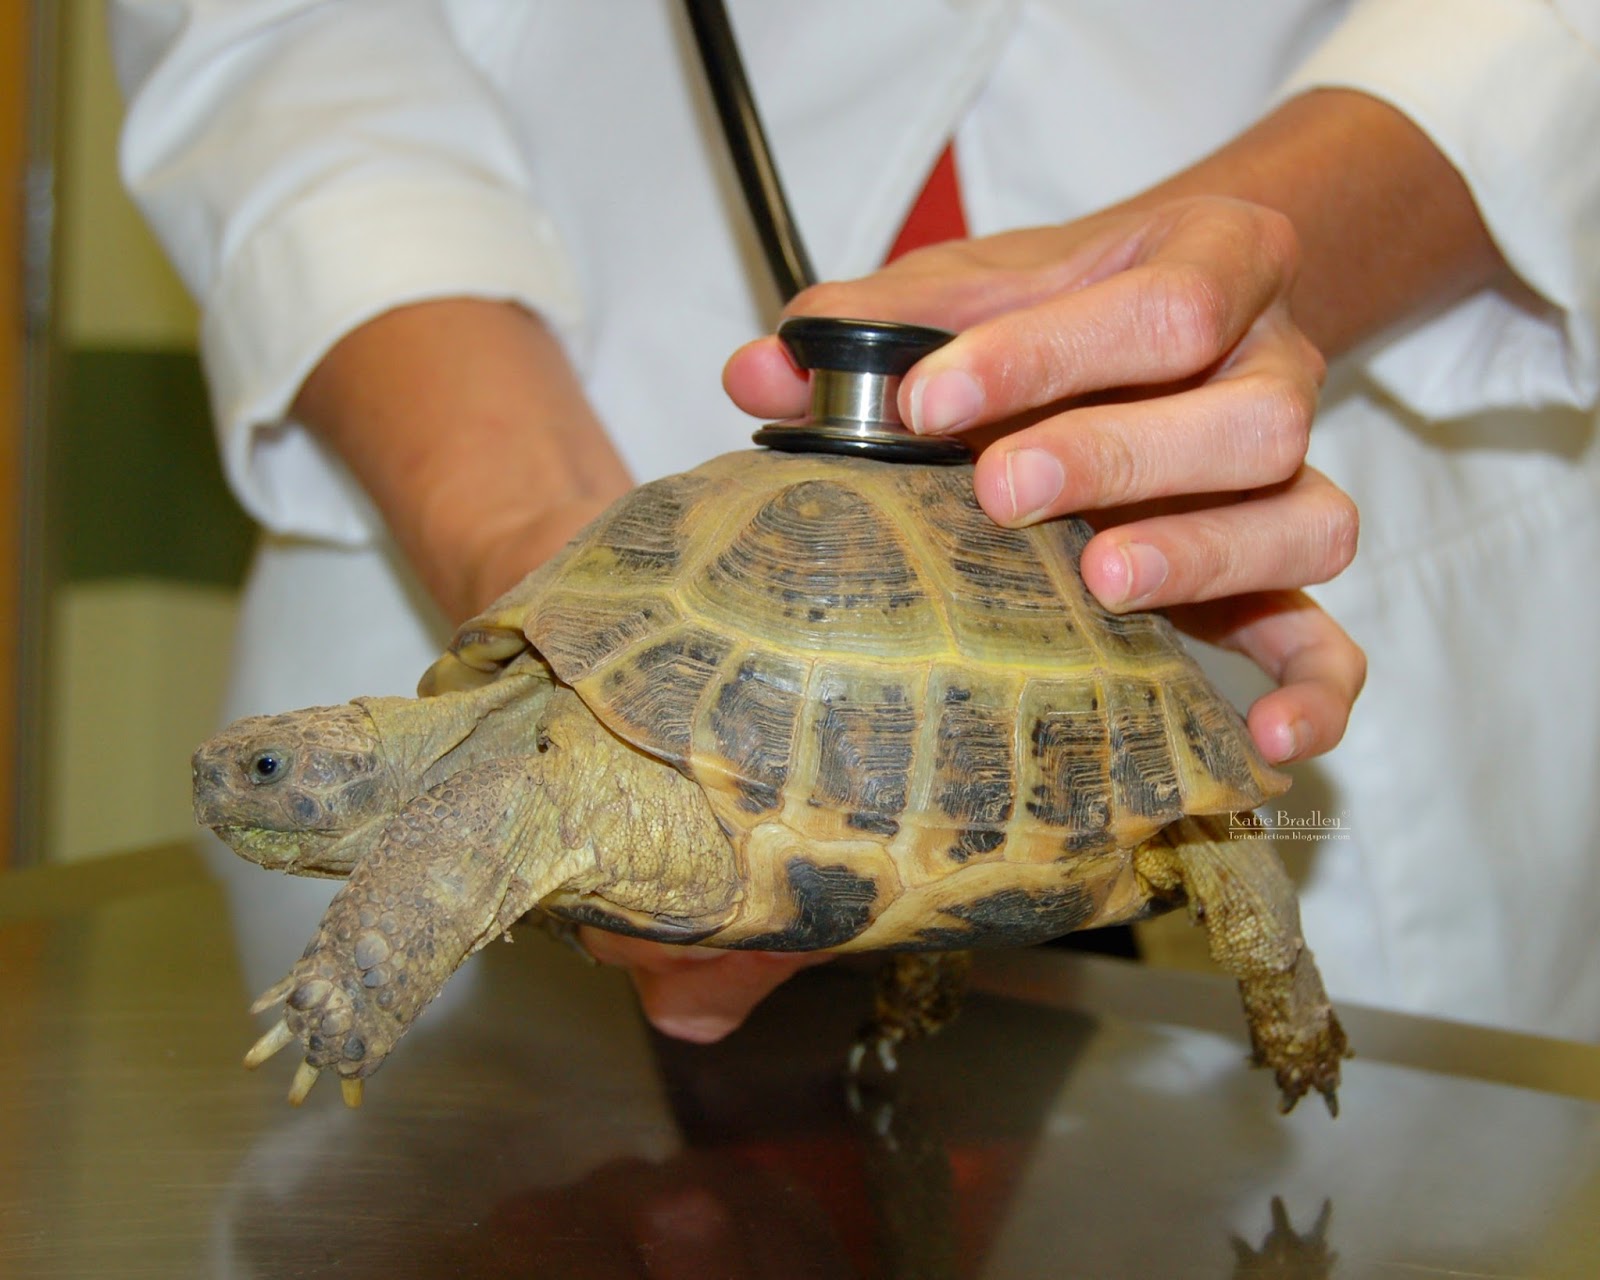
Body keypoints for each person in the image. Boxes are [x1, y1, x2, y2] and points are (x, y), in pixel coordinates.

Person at [113, 2, 1600, 1040]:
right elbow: (271, 40)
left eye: (267, 772)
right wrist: (521, 530)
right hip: (484, 427)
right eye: (268, 771)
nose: (244, 785)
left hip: (1246, 494)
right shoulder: (495, 766)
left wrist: (1253, 268)